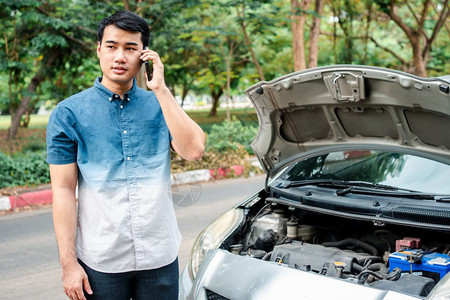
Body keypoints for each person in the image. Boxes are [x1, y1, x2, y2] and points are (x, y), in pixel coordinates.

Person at [46, 10, 205, 300]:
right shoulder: (68, 113)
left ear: (144, 55)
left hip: (159, 256)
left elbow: (194, 150)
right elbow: (64, 190)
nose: (120, 56)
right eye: (111, 46)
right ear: (98, 50)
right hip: (100, 260)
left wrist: (161, 89)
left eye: (130, 48)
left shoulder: (161, 104)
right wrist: (68, 265)